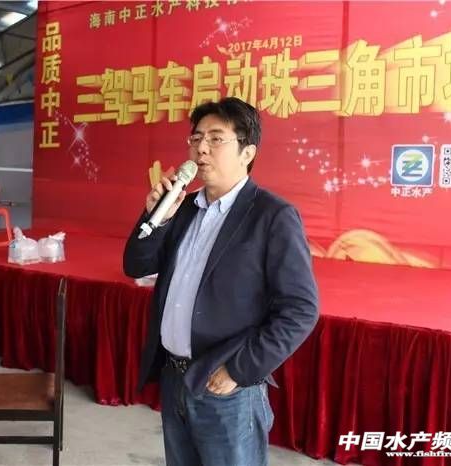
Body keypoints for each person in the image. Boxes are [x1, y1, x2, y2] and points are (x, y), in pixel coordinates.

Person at [123, 97, 319, 466]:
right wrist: (155, 218)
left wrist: (239, 370)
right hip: (175, 378)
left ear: (247, 153)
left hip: (226, 388)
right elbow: (135, 266)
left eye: (216, 139)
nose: (201, 149)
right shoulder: (182, 209)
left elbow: (301, 309)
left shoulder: (272, 216)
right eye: (196, 138)